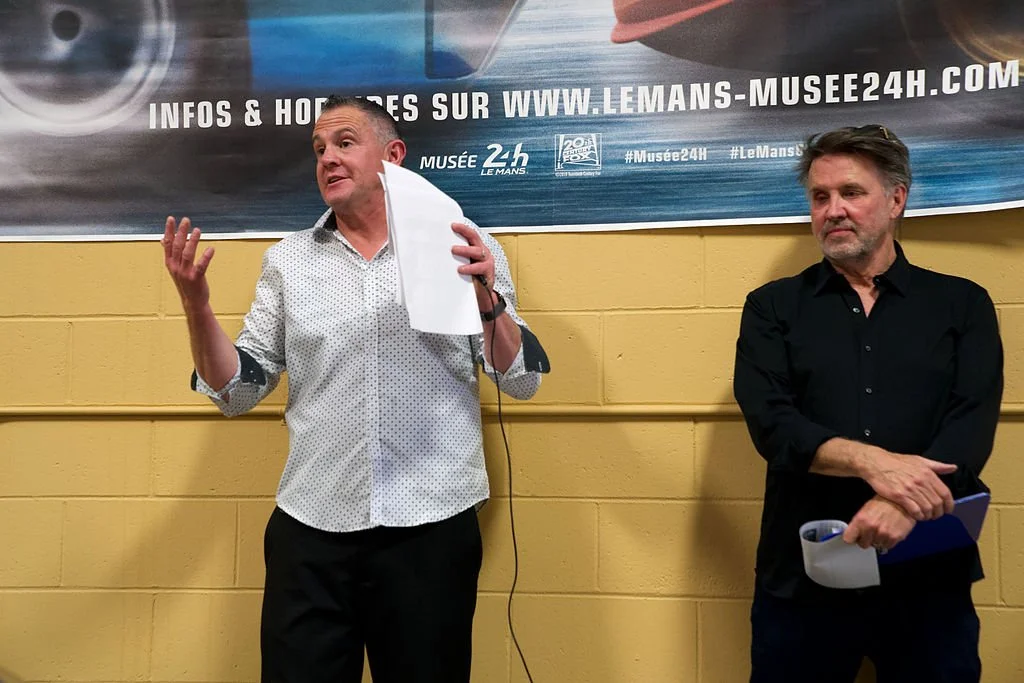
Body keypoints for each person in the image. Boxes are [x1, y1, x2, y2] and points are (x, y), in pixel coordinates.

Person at [161, 95, 548, 683]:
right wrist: (197, 305)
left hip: (430, 528)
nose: (328, 159)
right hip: (311, 531)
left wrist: (488, 301)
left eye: (344, 143)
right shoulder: (288, 263)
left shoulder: (463, 248)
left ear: (393, 156)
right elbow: (237, 390)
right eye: (319, 149)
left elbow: (518, 381)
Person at [733, 124, 1002, 683]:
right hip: (806, 580)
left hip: (929, 574)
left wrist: (903, 504)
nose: (833, 210)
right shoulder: (772, 308)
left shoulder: (962, 304)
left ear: (896, 199)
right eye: (820, 196)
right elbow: (773, 426)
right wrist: (878, 466)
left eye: (851, 193)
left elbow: (970, 423)